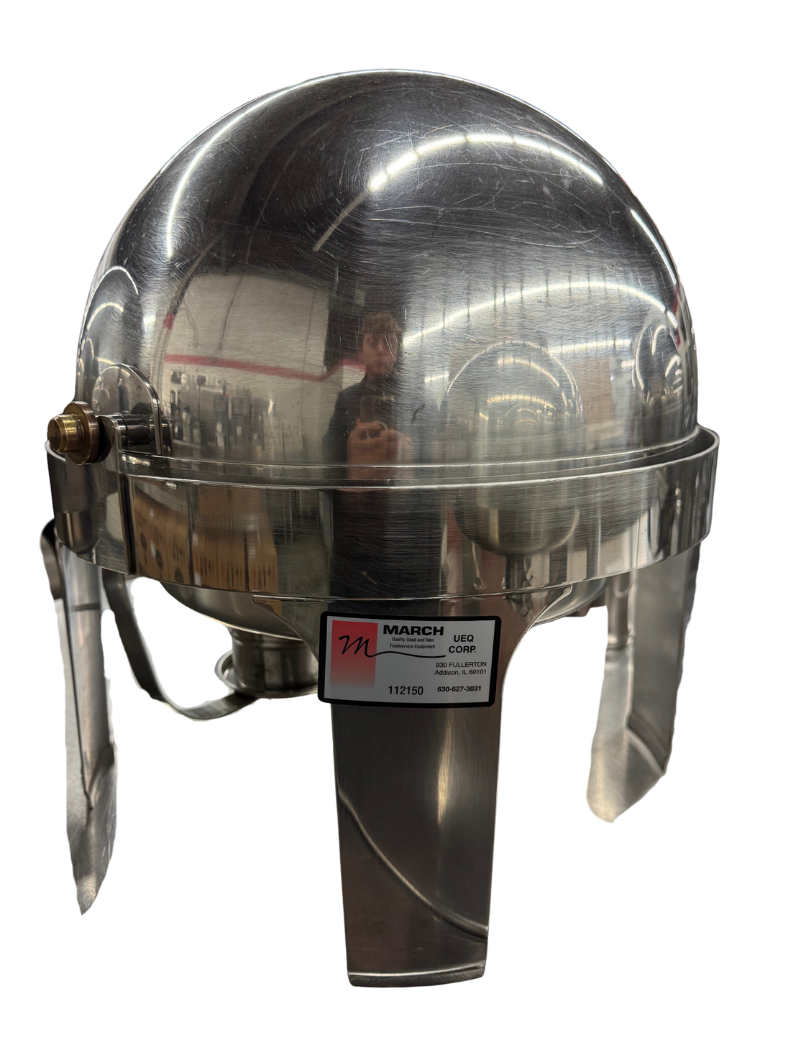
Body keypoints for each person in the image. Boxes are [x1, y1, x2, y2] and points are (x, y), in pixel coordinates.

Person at [322, 312, 432, 469]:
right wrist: (352, 456)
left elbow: (428, 461)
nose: (380, 350)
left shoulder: (418, 399)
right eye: (373, 343)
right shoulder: (346, 399)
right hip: (363, 483)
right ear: (360, 353)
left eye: (389, 344)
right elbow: (330, 458)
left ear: (397, 353)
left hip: (399, 483)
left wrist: (409, 460)